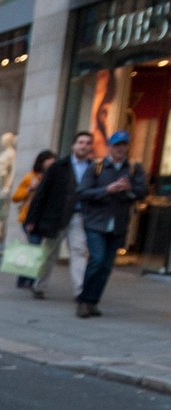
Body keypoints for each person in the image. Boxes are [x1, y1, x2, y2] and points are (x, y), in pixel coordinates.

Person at [72, 129, 147, 318]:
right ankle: (83, 301)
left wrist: (129, 188)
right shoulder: (96, 167)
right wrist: (107, 189)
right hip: (96, 222)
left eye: (124, 145)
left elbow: (141, 192)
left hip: (118, 224)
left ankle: (92, 302)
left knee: (106, 266)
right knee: (96, 260)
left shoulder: (133, 169)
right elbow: (83, 193)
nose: (120, 149)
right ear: (110, 147)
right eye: (117, 145)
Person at [24, 130, 94, 299]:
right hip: (57, 216)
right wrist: (32, 219)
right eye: (81, 142)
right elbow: (42, 192)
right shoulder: (58, 167)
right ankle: (39, 285)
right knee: (49, 253)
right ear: (74, 146)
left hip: (78, 216)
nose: (84, 146)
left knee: (78, 252)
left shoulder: (93, 168)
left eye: (87, 143)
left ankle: (80, 291)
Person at [10, 149, 56, 289]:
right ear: (42, 162)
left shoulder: (54, 178)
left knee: (34, 249)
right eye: (49, 160)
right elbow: (15, 197)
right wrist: (29, 189)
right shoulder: (31, 177)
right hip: (29, 218)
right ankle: (28, 280)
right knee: (34, 248)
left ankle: (23, 279)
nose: (52, 163)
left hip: (45, 219)